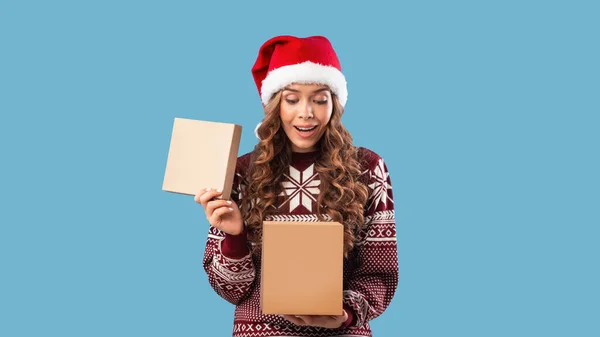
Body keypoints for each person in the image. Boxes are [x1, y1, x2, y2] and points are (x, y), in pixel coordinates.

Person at [195, 35, 398, 337]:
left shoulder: (367, 167)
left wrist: (344, 314)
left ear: (335, 104)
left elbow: (379, 274)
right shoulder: (239, 171)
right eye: (292, 99)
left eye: (319, 99)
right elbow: (230, 291)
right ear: (276, 104)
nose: (306, 112)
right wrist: (234, 236)